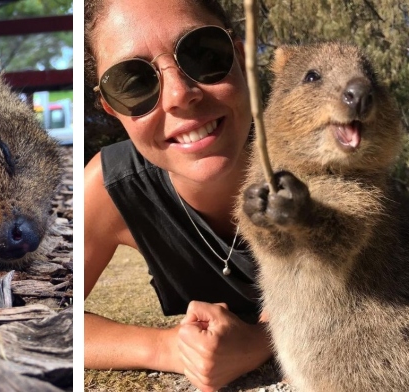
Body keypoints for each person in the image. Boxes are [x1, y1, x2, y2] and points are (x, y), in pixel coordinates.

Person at [83, 0, 274, 391]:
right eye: (133, 82)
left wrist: (260, 341)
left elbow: (369, 277)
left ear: (240, 57)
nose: (179, 95)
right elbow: (50, 314)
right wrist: (168, 348)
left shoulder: (311, 154)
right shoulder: (111, 187)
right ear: (111, 109)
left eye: (203, 54)